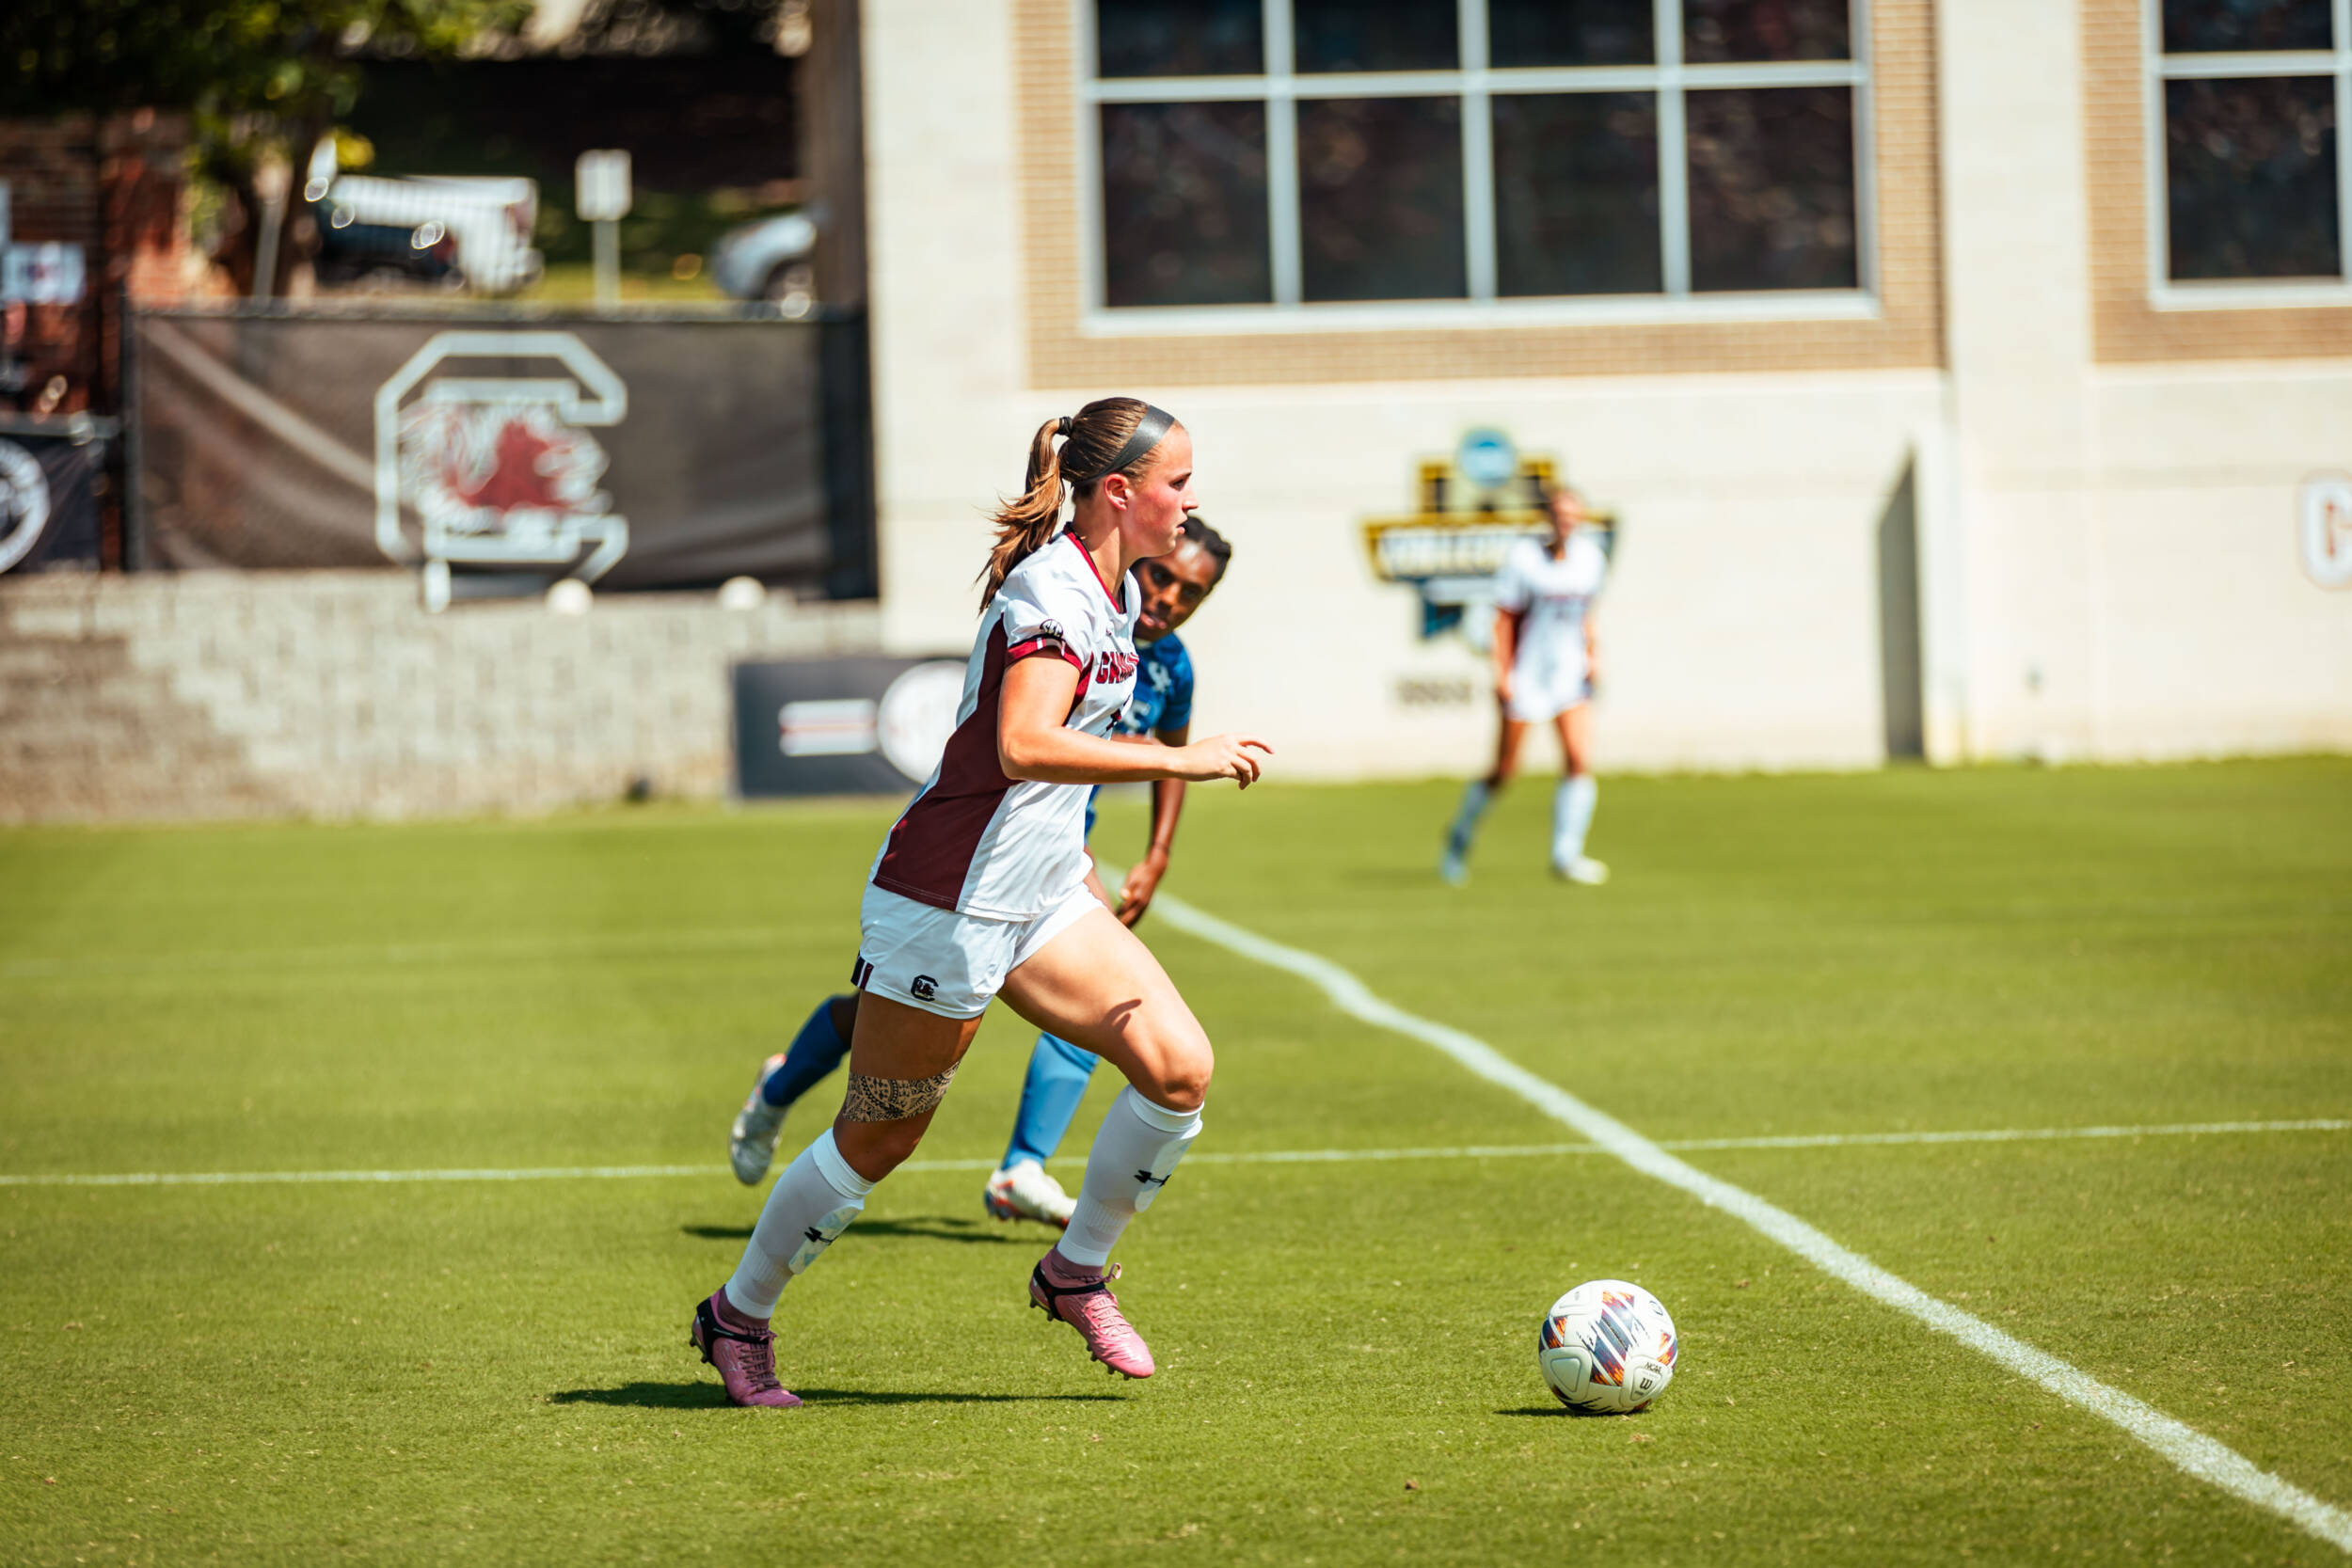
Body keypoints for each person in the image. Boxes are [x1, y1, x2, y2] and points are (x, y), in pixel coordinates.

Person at [689, 398, 1270, 1407]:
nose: (1189, 500)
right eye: (1178, 481)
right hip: (946, 902)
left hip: (1041, 892)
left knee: (1180, 1069)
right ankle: (737, 1314)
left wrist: (1079, 863)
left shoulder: (1117, 586)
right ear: (1121, 492)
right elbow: (1022, 743)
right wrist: (1178, 757)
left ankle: (1073, 1270)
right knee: (879, 1137)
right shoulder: (1053, 587)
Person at [726, 516, 1234, 1230]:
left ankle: (1024, 1167)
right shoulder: (1072, 602)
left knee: (1117, 1012)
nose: (1171, 598)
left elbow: (1172, 746)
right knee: (890, 1040)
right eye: (1165, 576)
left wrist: (1159, 851)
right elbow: (1026, 739)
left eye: (1193, 593)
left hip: (1059, 861)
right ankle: (779, 1089)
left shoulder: (1170, 662)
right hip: (979, 855)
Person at [1441, 483, 1609, 886]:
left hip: (1568, 674)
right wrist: (1502, 674)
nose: (1565, 521)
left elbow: (1585, 613)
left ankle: (1566, 854)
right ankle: (1460, 835)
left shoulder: (1590, 558)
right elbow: (1505, 619)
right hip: (1528, 675)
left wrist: (1593, 657)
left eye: (1572, 514)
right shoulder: (1524, 558)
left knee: (1578, 760)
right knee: (1505, 770)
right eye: (1558, 514)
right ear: (1547, 517)